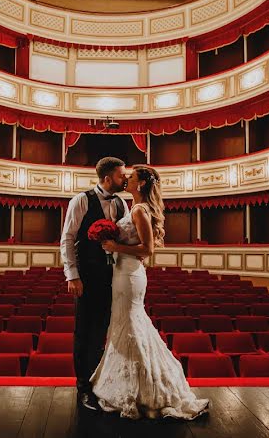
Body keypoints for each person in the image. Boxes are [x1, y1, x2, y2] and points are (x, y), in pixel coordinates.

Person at [91, 165, 209, 420]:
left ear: (142, 184)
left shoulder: (140, 210)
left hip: (130, 274)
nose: (126, 180)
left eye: (131, 177)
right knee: (126, 324)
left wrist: (115, 246)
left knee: (132, 325)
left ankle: (146, 387)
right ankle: (134, 381)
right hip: (123, 272)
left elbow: (148, 250)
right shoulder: (132, 207)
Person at [61, 156, 128, 411]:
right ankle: (84, 389)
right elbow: (67, 239)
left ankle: (104, 384)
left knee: (106, 332)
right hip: (87, 275)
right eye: (122, 175)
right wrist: (72, 275)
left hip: (115, 276)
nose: (126, 179)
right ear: (108, 177)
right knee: (85, 333)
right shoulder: (81, 200)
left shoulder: (122, 202)